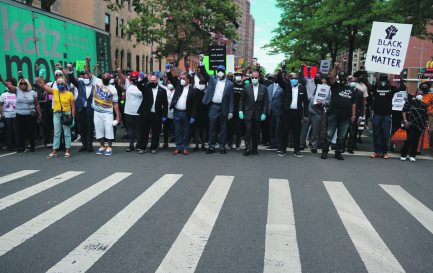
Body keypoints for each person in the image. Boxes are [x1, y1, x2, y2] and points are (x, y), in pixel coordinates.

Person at [321, 63, 357, 160]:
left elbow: (353, 103)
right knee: (329, 134)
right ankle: (325, 152)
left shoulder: (351, 89)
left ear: (346, 79)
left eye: (343, 77)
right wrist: (335, 68)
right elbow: (332, 77)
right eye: (340, 77)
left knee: (341, 136)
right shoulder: (335, 86)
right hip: (334, 115)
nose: (341, 79)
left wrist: (353, 115)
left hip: (345, 117)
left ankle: (338, 153)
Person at [86, 57, 121, 156]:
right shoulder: (97, 81)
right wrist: (88, 62)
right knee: (99, 130)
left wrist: (118, 116)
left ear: (110, 79)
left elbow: (115, 103)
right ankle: (102, 146)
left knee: (109, 130)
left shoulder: (113, 89)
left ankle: (109, 147)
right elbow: (88, 73)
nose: (105, 78)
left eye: (107, 78)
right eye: (104, 77)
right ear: (102, 78)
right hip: (97, 112)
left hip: (108, 113)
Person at [0, 75, 42, 153]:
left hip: (30, 115)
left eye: (24, 83)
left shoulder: (33, 93)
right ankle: (21, 148)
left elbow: (37, 104)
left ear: (27, 84)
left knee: (31, 132)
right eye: (21, 84)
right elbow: (8, 85)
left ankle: (32, 147)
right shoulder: (17, 90)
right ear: (19, 84)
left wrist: (39, 114)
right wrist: (1, 80)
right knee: (20, 132)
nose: (23, 85)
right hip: (19, 115)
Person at [37, 76, 75, 158]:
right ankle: (54, 151)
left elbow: (73, 107)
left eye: (61, 83)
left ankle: (67, 150)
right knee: (56, 133)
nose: (60, 85)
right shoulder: (55, 92)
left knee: (67, 133)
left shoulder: (70, 94)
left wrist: (73, 117)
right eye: (58, 83)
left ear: (64, 84)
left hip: (66, 114)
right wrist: (40, 78)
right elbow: (44, 86)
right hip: (57, 114)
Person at [201, 61, 234, 154]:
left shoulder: (230, 84)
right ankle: (211, 147)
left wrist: (231, 111)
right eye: (219, 70)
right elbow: (204, 73)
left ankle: (222, 147)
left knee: (223, 128)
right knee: (212, 128)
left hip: (224, 107)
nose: (220, 72)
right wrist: (201, 62)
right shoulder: (212, 79)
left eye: (222, 70)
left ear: (224, 72)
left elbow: (231, 98)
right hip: (213, 107)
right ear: (216, 71)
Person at [276, 65, 309, 157]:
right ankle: (283, 150)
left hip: (297, 114)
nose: (293, 80)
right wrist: (282, 70)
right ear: (290, 79)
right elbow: (279, 79)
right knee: (284, 132)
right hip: (287, 112)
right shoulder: (286, 86)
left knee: (296, 133)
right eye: (292, 78)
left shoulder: (302, 88)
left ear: (298, 79)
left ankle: (297, 150)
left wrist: (305, 115)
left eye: (295, 78)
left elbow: (306, 102)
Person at [167, 63, 196, 155]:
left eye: (184, 78)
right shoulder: (178, 85)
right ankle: (178, 147)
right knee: (177, 130)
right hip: (177, 112)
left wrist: (193, 116)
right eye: (181, 78)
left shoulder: (192, 90)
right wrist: (168, 70)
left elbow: (194, 105)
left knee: (186, 131)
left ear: (188, 80)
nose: (182, 80)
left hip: (186, 113)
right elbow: (171, 78)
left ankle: (185, 147)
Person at [370, 73, 401, 159]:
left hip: (387, 115)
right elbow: (368, 85)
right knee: (376, 134)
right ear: (379, 80)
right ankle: (376, 151)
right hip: (377, 114)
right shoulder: (375, 87)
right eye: (381, 80)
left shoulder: (391, 88)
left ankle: (384, 152)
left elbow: (401, 87)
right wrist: (376, 78)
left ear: (387, 81)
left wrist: (394, 80)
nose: (383, 82)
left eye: (385, 80)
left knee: (386, 134)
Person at [239, 71, 268, 156]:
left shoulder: (264, 88)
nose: (254, 79)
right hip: (248, 113)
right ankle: (247, 148)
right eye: (253, 77)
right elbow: (241, 100)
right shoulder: (246, 87)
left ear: (259, 78)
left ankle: (254, 148)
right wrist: (240, 111)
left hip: (258, 114)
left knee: (256, 132)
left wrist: (264, 113)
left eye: (256, 77)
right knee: (248, 131)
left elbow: (266, 102)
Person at [138, 73, 168, 154]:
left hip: (157, 114)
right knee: (144, 132)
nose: (153, 82)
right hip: (146, 114)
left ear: (157, 80)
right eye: (151, 80)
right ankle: (142, 147)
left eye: (154, 80)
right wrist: (145, 79)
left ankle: (154, 147)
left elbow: (165, 104)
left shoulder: (163, 90)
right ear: (149, 81)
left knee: (156, 132)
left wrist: (165, 115)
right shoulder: (146, 88)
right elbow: (138, 84)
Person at [67, 65, 95, 152]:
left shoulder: (95, 85)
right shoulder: (79, 83)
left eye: (88, 75)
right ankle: (84, 145)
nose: (86, 77)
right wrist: (71, 71)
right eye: (85, 76)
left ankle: (90, 146)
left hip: (91, 108)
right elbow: (71, 79)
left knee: (90, 128)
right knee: (82, 128)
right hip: (81, 109)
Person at [117, 70, 143, 153]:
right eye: (132, 77)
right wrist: (118, 69)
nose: (134, 79)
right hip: (128, 112)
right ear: (131, 78)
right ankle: (131, 145)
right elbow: (121, 76)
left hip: (138, 112)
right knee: (130, 129)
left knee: (139, 130)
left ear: (138, 78)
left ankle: (139, 145)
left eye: (135, 77)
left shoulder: (142, 85)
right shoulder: (128, 84)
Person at [400, 89, 428, 162]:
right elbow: (404, 111)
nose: (420, 95)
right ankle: (404, 154)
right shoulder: (410, 102)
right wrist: (405, 120)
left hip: (420, 125)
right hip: (410, 124)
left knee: (416, 141)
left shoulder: (424, 105)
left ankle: (412, 155)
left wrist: (426, 125)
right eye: (418, 94)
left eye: (421, 94)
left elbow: (425, 116)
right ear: (415, 94)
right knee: (408, 140)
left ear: (423, 95)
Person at [308, 75, 331, 153]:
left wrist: (322, 103)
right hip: (309, 110)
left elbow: (328, 102)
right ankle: (301, 143)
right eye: (322, 82)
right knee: (305, 129)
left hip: (318, 112)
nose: (323, 84)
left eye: (325, 82)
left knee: (315, 130)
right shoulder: (317, 88)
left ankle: (314, 146)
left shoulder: (329, 91)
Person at [227, 71, 244, 150]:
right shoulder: (231, 85)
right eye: (236, 75)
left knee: (239, 128)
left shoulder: (245, 86)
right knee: (230, 127)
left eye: (239, 75)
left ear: (242, 77)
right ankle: (230, 143)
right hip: (231, 109)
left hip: (240, 110)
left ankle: (238, 144)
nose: (238, 77)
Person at [266, 74, 283, 151]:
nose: (275, 79)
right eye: (274, 77)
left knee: (278, 128)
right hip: (270, 111)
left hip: (278, 111)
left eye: (276, 77)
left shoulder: (282, 87)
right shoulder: (269, 87)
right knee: (271, 128)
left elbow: (283, 99)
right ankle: (272, 144)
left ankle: (278, 144)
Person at [0, 77, 17, 151]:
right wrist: (2, 114)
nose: (8, 86)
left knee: (15, 130)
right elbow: (0, 105)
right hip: (7, 115)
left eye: (10, 84)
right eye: (7, 84)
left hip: (15, 115)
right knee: (8, 131)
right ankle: (10, 146)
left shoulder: (17, 93)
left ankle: (16, 144)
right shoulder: (3, 95)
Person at [162, 81, 175, 149]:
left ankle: (176, 141)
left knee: (174, 128)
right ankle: (165, 142)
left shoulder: (177, 91)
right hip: (166, 113)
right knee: (165, 129)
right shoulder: (165, 90)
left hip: (174, 113)